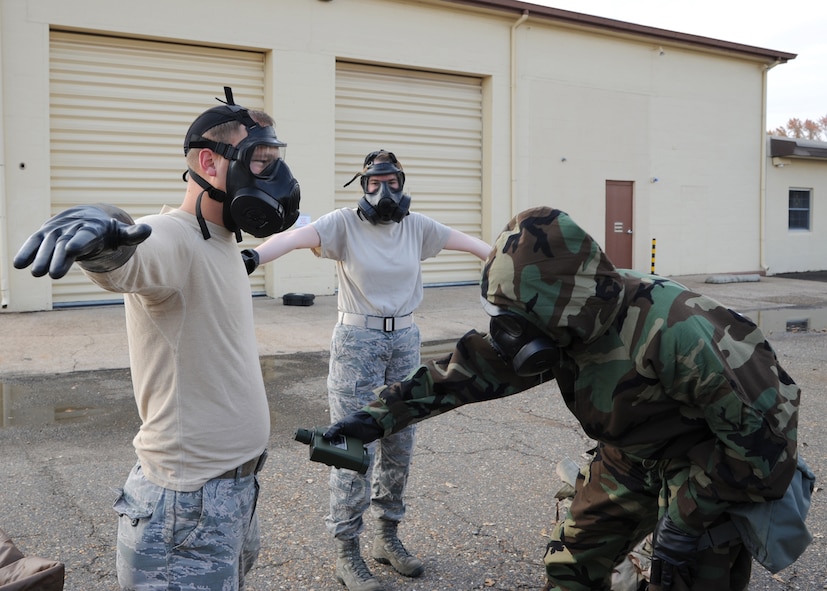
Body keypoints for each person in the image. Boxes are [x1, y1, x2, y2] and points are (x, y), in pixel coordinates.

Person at [323, 206, 802, 591]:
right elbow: (465, 373)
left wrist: (687, 517)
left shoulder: (678, 331)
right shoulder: (556, 322)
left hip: (708, 467)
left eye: (516, 322)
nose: (510, 336)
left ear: (562, 306)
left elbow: (766, 447)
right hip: (628, 457)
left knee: (685, 573)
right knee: (570, 566)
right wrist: (373, 419)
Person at [13, 87, 301, 591]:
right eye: (260, 162)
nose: (274, 176)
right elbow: (131, 258)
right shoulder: (171, 235)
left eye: (275, 161)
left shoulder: (221, 240)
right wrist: (103, 238)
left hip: (234, 491)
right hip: (184, 509)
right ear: (210, 162)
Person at [244, 150, 491, 591]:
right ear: (362, 185)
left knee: (400, 441)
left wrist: (510, 261)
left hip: (405, 339)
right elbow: (295, 238)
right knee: (351, 446)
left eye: (392, 181)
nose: (383, 191)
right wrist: (253, 258)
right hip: (358, 341)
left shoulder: (417, 227)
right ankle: (347, 552)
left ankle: (386, 537)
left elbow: (473, 245)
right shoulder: (344, 223)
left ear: (402, 183)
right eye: (374, 183)